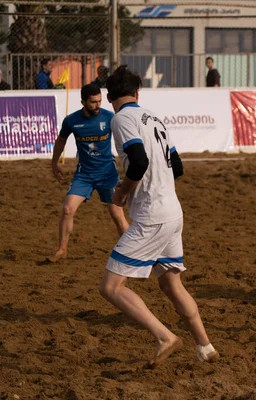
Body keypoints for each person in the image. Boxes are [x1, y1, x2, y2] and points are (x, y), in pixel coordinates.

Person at [99, 65, 218, 367]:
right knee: (171, 285)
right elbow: (176, 166)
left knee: (111, 287)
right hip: (172, 211)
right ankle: (205, 346)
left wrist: (123, 192)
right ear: (137, 93)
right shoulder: (154, 118)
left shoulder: (121, 118)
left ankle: (164, 336)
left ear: (110, 97)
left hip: (152, 215)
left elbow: (137, 162)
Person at [48, 84, 129, 262]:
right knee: (68, 209)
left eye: (99, 101)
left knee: (117, 215)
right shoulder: (71, 121)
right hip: (84, 175)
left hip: (107, 174)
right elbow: (61, 141)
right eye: (93, 102)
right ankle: (62, 250)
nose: (98, 105)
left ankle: (131, 253)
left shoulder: (110, 118)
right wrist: (54, 163)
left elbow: (126, 141)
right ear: (83, 102)